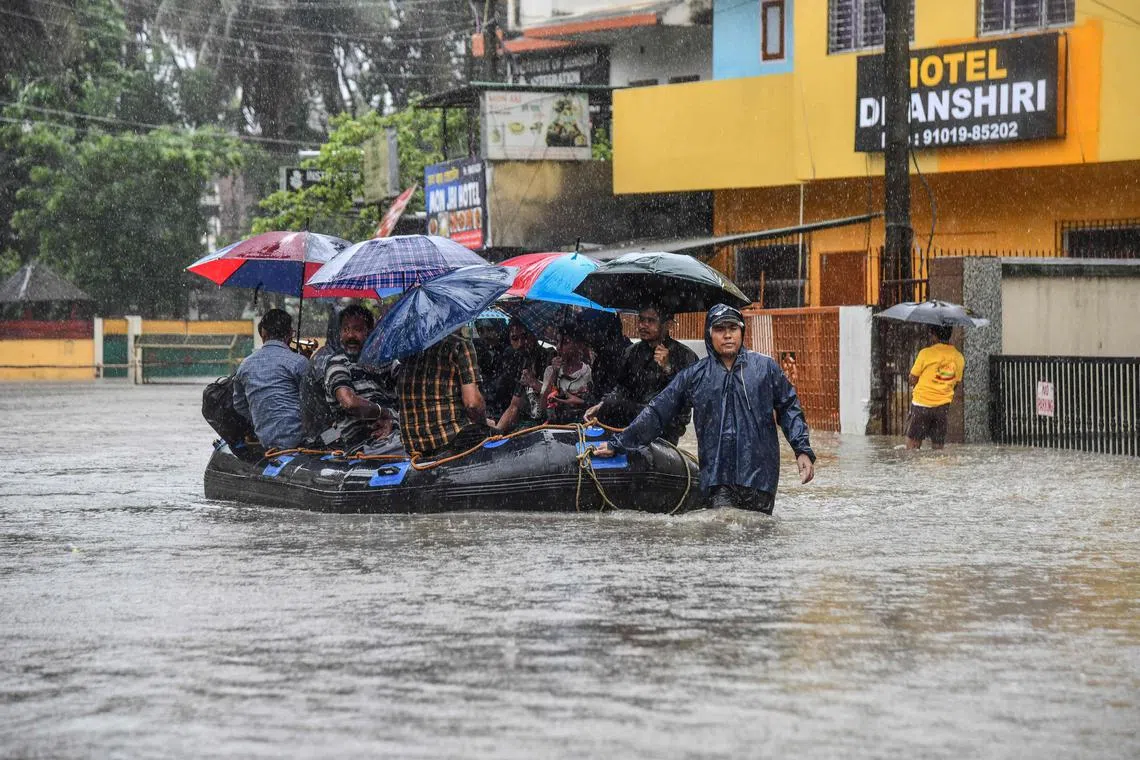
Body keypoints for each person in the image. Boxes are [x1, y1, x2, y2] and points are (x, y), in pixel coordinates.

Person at [593, 304, 815, 514]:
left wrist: (802, 449)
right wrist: (619, 443)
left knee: (757, 538)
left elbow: (789, 408)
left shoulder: (765, 369)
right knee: (721, 535)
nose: (727, 335)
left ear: (741, 332)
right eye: (720, 329)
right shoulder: (695, 375)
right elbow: (657, 412)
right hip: (718, 480)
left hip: (760, 478)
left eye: (733, 328)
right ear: (710, 334)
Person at [584, 303, 698, 444]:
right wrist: (602, 405)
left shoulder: (685, 355)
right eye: (641, 320)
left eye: (650, 321)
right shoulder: (632, 352)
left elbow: (687, 399)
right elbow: (622, 388)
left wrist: (668, 369)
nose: (643, 325)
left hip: (664, 428)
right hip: (630, 423)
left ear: (668, 325)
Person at [397, 328, 490, 457]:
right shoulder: (460, 344)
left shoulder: (408, 349)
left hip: (414, 447)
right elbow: (473, 403)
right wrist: (485, 423)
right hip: (452, 441)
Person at [323, 304, 401, 452]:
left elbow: (409, 384)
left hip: (397, 436)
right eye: (346, 329)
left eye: (357, 329)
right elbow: (349, 402)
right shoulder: (338, 362)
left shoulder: (385, 360)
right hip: (365, 445)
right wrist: (383, 413)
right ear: (340, 333)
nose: (351, 335)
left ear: (370, 332)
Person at [231, 308, 310, 450]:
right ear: (289, 335)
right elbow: (312, 403)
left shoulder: (245, 365)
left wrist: (263, 416)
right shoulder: (299, 362)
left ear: (263, 334)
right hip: (299, 440)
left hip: (265, 440)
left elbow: (239, 405)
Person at [906, 324, 965, 450]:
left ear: (933, 335)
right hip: (942, 408)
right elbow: (956, 383)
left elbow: (912, 378)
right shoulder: (959, 357)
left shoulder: (925, 353)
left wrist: (915, 381)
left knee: (913, 444)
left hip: (921, 405)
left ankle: (911, 469)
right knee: (938, 446)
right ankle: (938, 469)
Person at [489, 320, 554, 433]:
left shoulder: (549, 357)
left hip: (551, 423)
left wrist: (534, 383)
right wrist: (496, 433)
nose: (521, 343)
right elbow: (514, 405)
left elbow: (556, 397)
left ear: (534, 334)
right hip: (528, 423)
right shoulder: (521, 360)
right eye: (515, 338)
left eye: (525, 336)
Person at [540, 323, 594, 425]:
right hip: (554, 426)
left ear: (579, 346)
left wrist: (580, 402)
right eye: (557, 342)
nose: (558, 347)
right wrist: (554, 374)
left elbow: (593, 408)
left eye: (565, 343)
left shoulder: (588, 373)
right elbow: (543, 407)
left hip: (578, 427)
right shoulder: (550, 370)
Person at [577, 310, 630, 397]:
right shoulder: (605, 352)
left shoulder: (613, 355)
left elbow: (612, 398)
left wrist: (585, 401)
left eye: (587, 333)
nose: (586, 339)